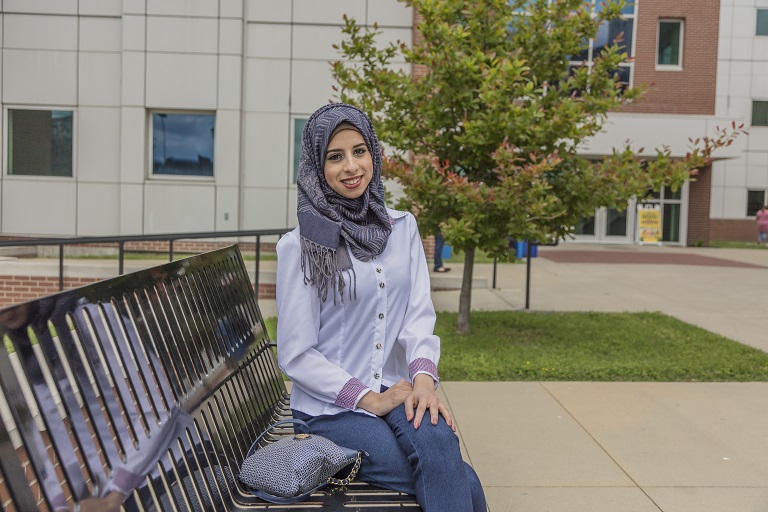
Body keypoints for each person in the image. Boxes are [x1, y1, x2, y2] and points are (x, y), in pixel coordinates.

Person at [276, 103, 485, 512]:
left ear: (374, 152)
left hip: (397, 387)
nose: (351, 166)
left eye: (359, 151)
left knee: (440, 444)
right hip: (329, 408)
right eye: (335, 157)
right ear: (316, 167)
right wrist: (367, 398)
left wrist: (424, 381)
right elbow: (297, 354)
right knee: (465, 482)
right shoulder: (301, 246)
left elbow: (418, 316)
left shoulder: (402, 228)